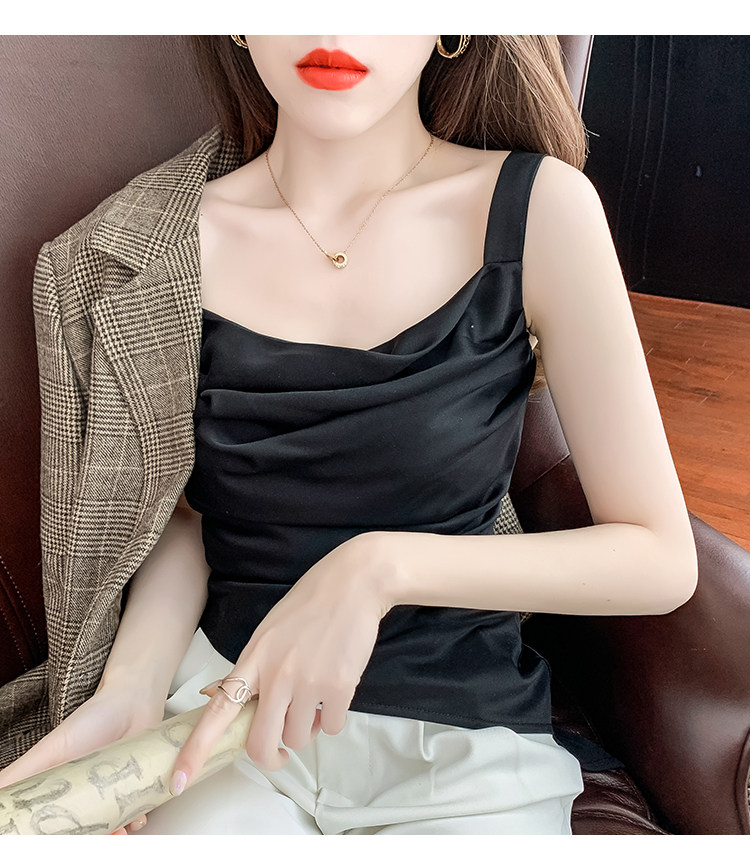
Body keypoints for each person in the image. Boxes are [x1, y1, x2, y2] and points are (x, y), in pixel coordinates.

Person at [0, 35, 698, 835]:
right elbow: (187, 514)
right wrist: (131, 685)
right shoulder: (146, 250)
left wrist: (376, 569)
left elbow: (659, 558)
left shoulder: (539, 208)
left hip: (461, 745)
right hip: (223, 723)